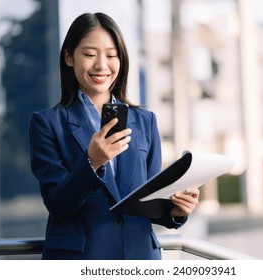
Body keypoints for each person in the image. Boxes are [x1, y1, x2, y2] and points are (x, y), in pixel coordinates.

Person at [29, 12, 199, 260]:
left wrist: (176, 209)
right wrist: (92, 162)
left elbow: (149, 201)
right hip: (81, 259)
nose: (101, 65)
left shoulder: (145, 121)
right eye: (89, 54)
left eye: (111, 55)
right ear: (68, 57)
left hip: (139, 257)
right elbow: (58, 205)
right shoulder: (47, 123)